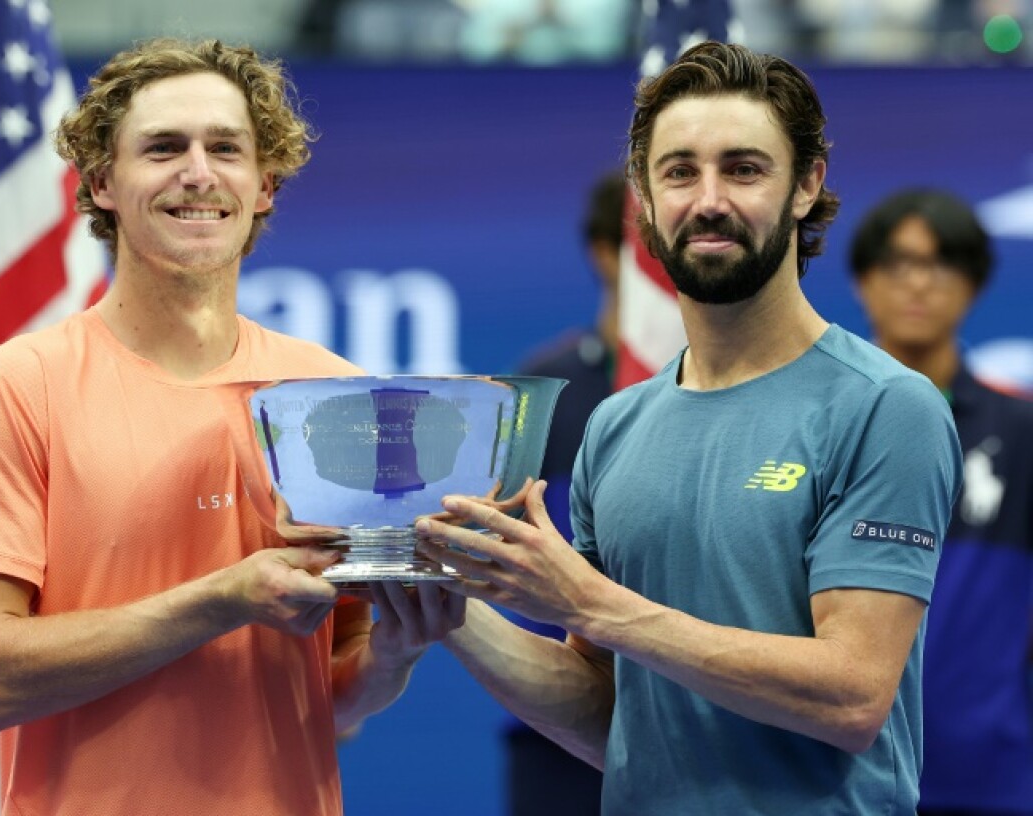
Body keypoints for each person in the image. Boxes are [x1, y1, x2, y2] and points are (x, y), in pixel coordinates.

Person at [401, 41, 963, 814]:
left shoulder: (887, 407)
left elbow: (853, 697)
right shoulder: (616, 425)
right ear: (644, 195)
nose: (709, 200)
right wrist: (445, 599)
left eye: (744, 169)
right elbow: (611, 715)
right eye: (679, 172)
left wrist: (591, 604)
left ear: (807, 185)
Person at [0, 38, 456, 816]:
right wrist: (223, 598)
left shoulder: (336, 392)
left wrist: (393, 656)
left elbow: (332, 699)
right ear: (101, 183)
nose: (198, 173)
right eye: (164, 148)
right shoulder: (9, 387)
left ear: (264, 185)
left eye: (225, 149)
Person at [849, 188, 1033, 816]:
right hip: (836, 777)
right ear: (864, 280)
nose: (920, 283)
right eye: (899, 263)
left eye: (942, 264)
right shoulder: (816, 427)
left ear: (974, 285)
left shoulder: (1022, 432)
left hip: (987, 779)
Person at [502, 172, 624, 816]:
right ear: (606, 252)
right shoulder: (548, 386)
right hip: (558, 725)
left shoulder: (722, 391)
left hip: (699, 719)